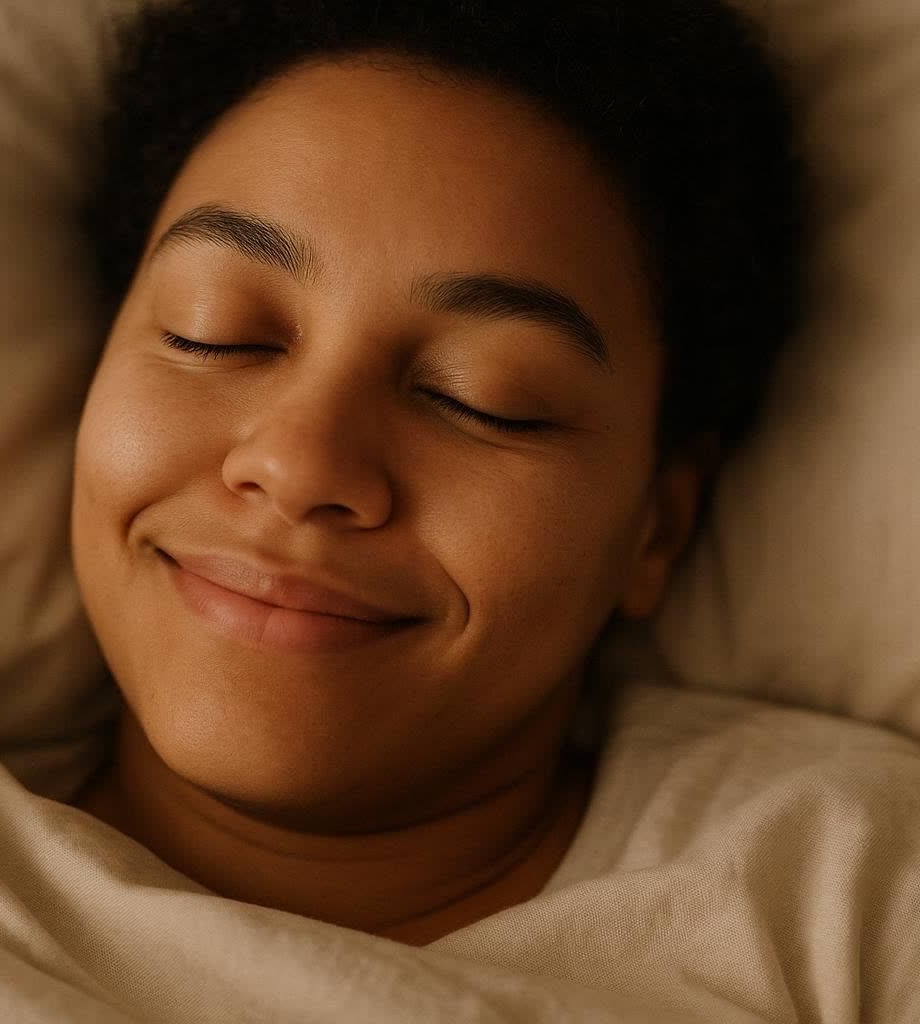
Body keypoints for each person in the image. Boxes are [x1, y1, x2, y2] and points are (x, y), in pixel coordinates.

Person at [67, 0, 807, 946]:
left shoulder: (836, 907)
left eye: (478, 397)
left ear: (655, 527)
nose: (299, 467)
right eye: (216, 331)